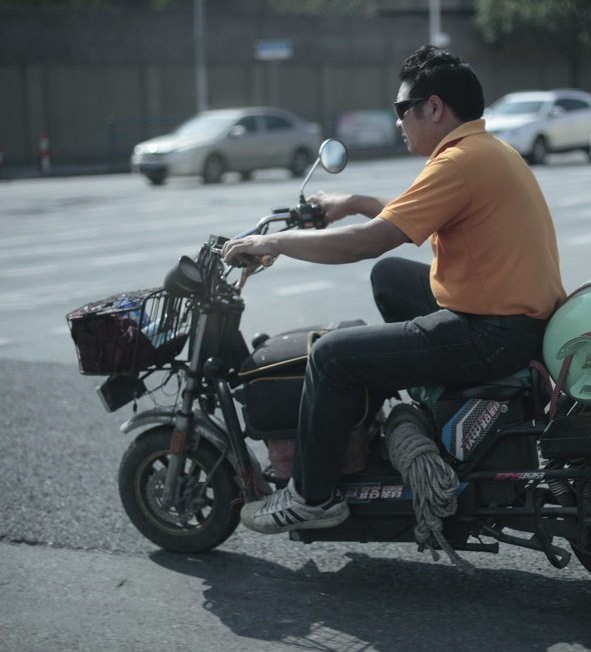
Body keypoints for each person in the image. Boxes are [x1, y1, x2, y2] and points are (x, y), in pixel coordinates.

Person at [221, 45, 566, 534]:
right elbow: (405, 212)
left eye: (402, 110)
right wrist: (354, 200)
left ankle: (311, 496)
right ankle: (425, 410)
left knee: (331, 356)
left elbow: (370, 242)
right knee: (391, 279)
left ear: (433, 107)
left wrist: (270, 241)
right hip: (512, 319)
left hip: (493, 332)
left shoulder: (459, 163)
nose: (399, 122)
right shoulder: (482, 150)